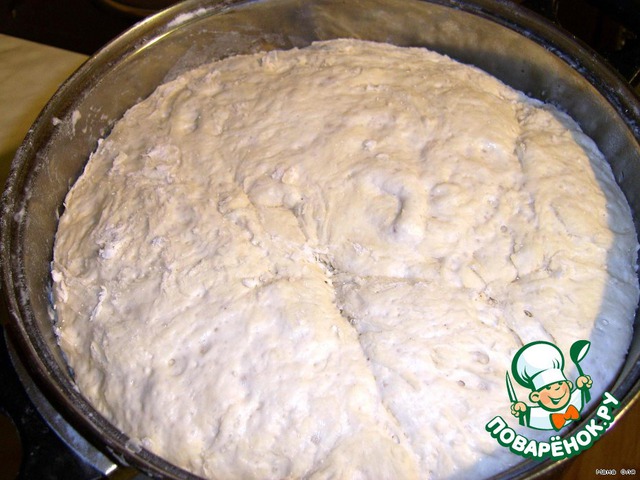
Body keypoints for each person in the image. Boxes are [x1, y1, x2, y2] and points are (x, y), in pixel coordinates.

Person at [510, 341, 593, 431]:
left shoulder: (576, 399)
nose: (557, 390)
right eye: (548, 388)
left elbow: (583, 394)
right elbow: (527, 416)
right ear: (535, 397)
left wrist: (583, 385)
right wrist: (522, 411)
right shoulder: (541, 417)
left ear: (569, 385)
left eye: (560, 384)